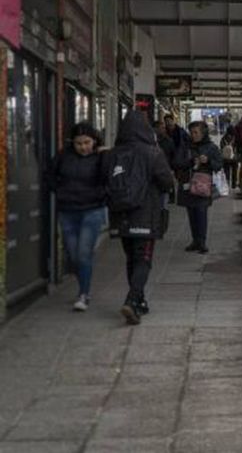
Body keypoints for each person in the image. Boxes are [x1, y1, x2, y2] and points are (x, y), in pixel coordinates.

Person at [106, 110, 174, 325]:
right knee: (143, 258)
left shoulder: (113, 153)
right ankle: (132, 299)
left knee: (131, 258)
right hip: (146, 213)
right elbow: (166, 183)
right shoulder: (153, 153)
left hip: (121, 215)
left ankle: (139, 300)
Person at [46, 122, 108, 312]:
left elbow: (109, 178)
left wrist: (106, 156)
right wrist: (58, 190)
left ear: (94, 141)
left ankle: (84, 293)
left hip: (92, 210)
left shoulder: (100, 157)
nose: (83, 147)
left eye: (87, 142)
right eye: (79, 143)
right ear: (72, 142)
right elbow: (49, 174)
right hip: (68, 210)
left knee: (82, 253)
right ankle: (83, 287)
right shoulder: (63, 156)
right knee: (73, 255)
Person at [177, 120, 224, 254]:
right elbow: (176, 162)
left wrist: (208, 161)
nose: (193, 135)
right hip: (188, 184)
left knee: (201, 212)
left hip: (203, 185)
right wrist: (191, 161)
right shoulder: (185, 146)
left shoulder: (211, 147)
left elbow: (219, 165)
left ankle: (201, 242)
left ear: (203, 133)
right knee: (191, 212)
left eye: (196, 132)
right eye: (191, 132)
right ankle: (195, 240)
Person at [220, 126, 239, 191]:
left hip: (225, 159)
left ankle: (227, 184)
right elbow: (237, 148)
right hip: (233, 158)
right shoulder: (235, 138)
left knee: (227, 171)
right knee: (234, 171)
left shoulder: (223, 139)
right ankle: (233, 184)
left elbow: (221, 148)